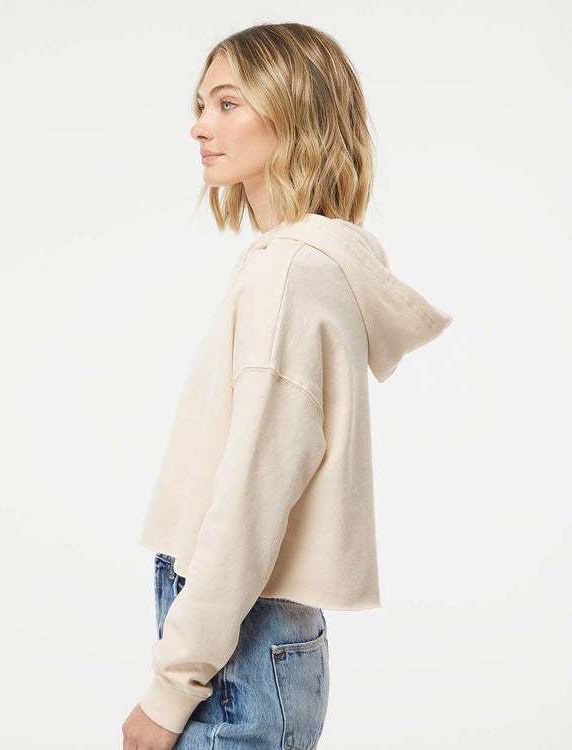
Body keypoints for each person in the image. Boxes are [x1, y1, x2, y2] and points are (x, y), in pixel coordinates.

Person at [122, 21, 453, 750]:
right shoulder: (308, 265)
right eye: (201, 104)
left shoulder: (288, 274)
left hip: (233, 654)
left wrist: (170, 690)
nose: (200, 125)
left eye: (227, 103)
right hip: (260, 639)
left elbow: (247, 502)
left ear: (293, 113)